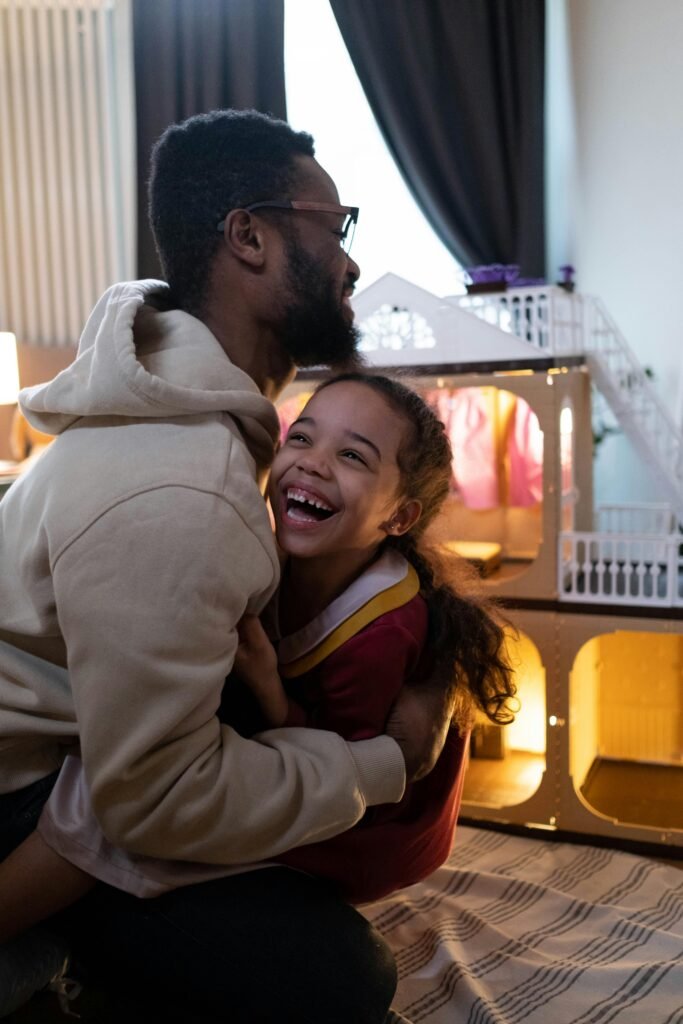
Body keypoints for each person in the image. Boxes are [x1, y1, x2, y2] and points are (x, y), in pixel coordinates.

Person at [0, 110, 453, 1023]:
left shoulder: (192, 427)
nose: (352, 262)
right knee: (338, 976)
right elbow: (156, 802)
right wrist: (378, 765)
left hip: (72, 760)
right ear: (248, 235)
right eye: (337, 229)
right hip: (20, 792)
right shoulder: (187, 488)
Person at [0, 374, 516, 935]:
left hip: (365, 825)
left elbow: (345, 770)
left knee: (147, 838)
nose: (313, 463)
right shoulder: (264, 548)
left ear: (398, 518)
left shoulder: (383, 630)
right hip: (306, 760)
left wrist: (269, 687)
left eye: (350, 455)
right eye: (302, 438)